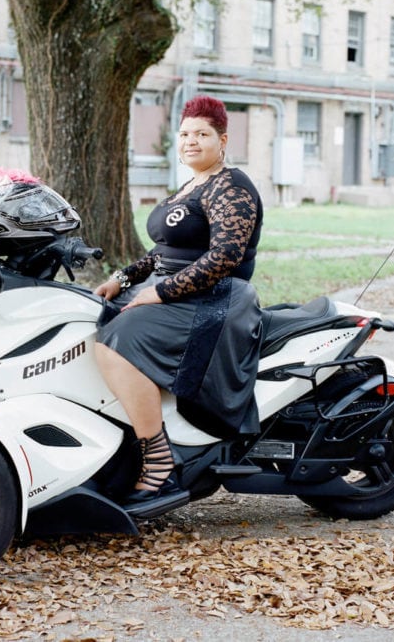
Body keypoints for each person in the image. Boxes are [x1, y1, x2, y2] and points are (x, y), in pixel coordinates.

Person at [94, 95, 264, 505]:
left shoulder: (231, 186)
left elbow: (225, 256)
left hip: (216, 299)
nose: (191, 141)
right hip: (178, 290)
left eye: (202, 134)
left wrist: (160, 291)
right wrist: (122, 278)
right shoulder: (191, 185)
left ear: (222, 140)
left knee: (115, 342)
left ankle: (159, 461)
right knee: (91, 317)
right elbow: (163, 252)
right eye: (185, 133)